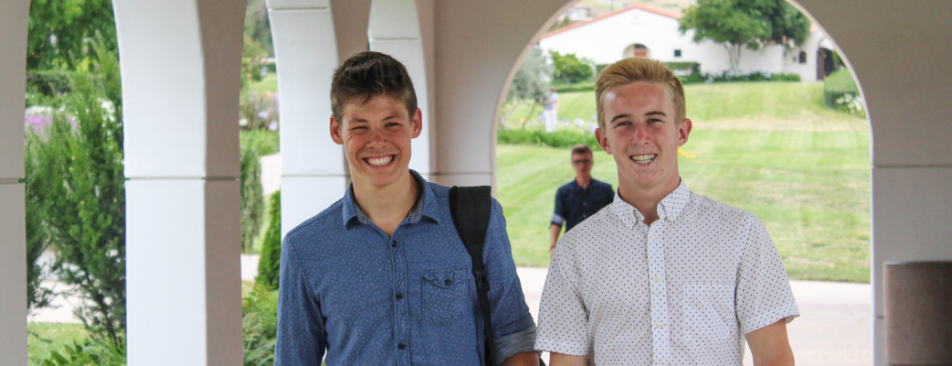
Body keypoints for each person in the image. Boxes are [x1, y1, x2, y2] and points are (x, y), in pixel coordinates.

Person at [275, 52, 540, 366]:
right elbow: (294, 359)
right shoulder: (306, 247)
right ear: (336, 130)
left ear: (415, 122)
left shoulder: (478, 218)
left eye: (391, 123)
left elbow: (515, 339)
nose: (377, 141)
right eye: (360, 127)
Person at [535, 58, 799, 366]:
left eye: (654, 120)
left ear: (682, 132)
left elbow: (774, 357)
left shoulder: (741, 233)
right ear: (603, 139)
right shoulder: (575, 250)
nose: (640, 136)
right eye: (623, 123)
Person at [549, 144, 613, 257]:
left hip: (600, 247)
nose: (582, 165)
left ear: (592, 163)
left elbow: (614, 219)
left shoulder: (605, 190)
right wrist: (553, 246)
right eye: (578, 162)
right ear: (572, 164)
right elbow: (557, 220)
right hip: (572, 247)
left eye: (586, 161)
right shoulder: (564, 192)